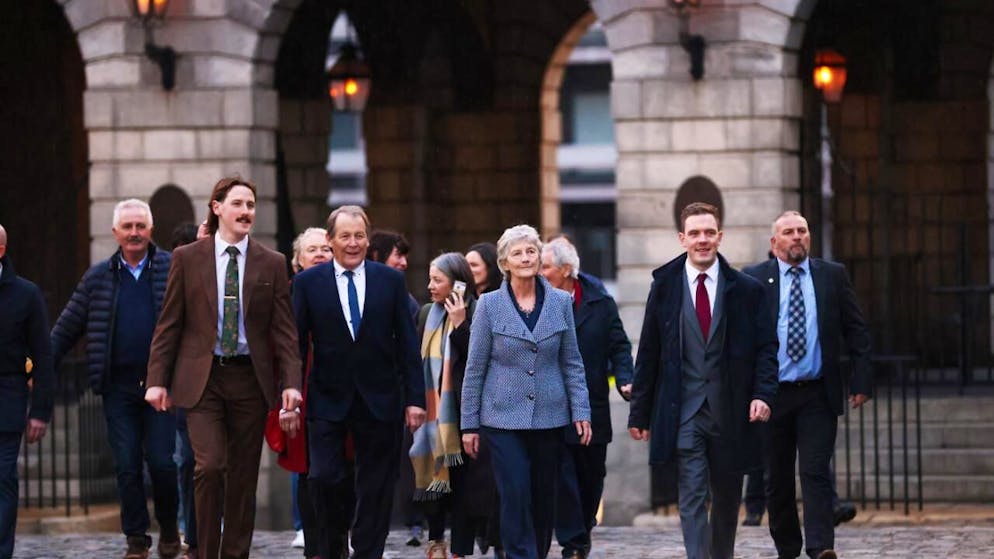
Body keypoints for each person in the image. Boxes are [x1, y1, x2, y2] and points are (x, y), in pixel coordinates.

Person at [145, 177, 303, 559]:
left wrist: (291, 383)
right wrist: (157, 380)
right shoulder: (187, 258)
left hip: (250, 380)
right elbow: (169, 324)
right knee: (210, 466)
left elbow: (284, 331)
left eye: (251, 205)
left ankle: (235, 554)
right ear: (217, 208)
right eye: (238, 204)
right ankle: (204, 551)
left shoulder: (272, 262)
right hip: (204, 380)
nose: (246, 211)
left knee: (243, 478)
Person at [627, 202, 778, 559]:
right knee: (692, 493)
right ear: (682, 239)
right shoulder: (664, 286)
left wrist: (763, 394)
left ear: (720, 237)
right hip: (684, 410)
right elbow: (649, 351)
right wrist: (640, 413)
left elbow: (766, 348)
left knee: (727, 496)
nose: (702, 239)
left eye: (709, 232)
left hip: (730, 409)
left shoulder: (747, 289)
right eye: (695, 233)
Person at [292, 206, 426, 559]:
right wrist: (290, 395)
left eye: (359, 236)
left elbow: (407, 344)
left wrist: (415, 399)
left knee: (376, 485)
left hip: (380, 397)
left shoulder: (390, 281)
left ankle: (367, 551)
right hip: (326, 397)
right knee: (323, 477)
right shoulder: (308, 283)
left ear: (368, 240)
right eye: (345, 236)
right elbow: (296, 345)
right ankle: (334, 544)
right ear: (330, 240)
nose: (353, 243)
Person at [50, 199, 181, 559]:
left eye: (140, 226)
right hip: (118, 388)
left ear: (151, 230)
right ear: (115, 233)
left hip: (162, 386)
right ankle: (136, 539)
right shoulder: (98, 277)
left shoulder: (173, 268)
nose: (134, 233)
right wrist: (37, 366)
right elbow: (67, 327)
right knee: (126, 465)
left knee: (162, 463)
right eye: (128, 227)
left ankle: (169, 527)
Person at [743, 211, 872, 559]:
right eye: (789, 232)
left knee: (815, 472)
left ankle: (820, 547)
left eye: (802, 230)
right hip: (772, 394)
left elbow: (856, 329)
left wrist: (861, 379)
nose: (797, 236)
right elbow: (740, 337)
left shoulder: (832, 275)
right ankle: (788, 547)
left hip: (816, 392)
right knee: (777, 479)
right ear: (775, 243)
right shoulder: (755, 278)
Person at [461, 224, 592, 559]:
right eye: (517, 253)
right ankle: (520, 554)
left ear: (539, 256)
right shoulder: (489, 305)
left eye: (531, 251)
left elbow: (572, 361)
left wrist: (581, 411)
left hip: (550, 415)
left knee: (543, 496)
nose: (525, 258)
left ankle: (538, 551)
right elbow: (475, 369)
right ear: (504, 263)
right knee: (515, 491)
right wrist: (469, 424)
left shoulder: (560, 302)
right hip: (501, 418)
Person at [540, 238, 633, 559]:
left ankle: (583, 529)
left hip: (592, 406)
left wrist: (626, 379)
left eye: (546, 267)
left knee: (591, 475)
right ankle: (573, 543)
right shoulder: (536, 302)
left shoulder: (600, 302)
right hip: (552, 405)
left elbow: (619, 346)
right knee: (562, 474)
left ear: (566, 269)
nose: (540, 272)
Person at [411, 252, 497, 559]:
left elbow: (482, 360)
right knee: (433, 478)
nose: (430, 286)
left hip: (466, 412)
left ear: (458, 283)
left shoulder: (480, 310)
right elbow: (415, 362)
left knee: (462, 485)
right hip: (432, 413)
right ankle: (436, 540)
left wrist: (461, 325)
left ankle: (460, 550)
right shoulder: (426, 314)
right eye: (430, 279)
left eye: (437, 280)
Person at [0, 224, 54, 558]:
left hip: (6, 401)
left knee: (3, 478)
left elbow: (43, 355)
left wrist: (40, 411)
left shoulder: (25, 294)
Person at [285, 227, 332, 559]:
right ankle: (313, 542)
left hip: (341, 388)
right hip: (301, 387)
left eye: (325, 249)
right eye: (312, 250)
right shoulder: (289, 294)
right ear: (297, 261)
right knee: (306, 468)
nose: (319, 255)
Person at [168, 223, 206, 559]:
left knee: (211, 463)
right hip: (185, 386)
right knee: (188, 461)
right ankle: (192, 532)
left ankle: (204, 530)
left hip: (221, 381)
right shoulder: (174, 279)